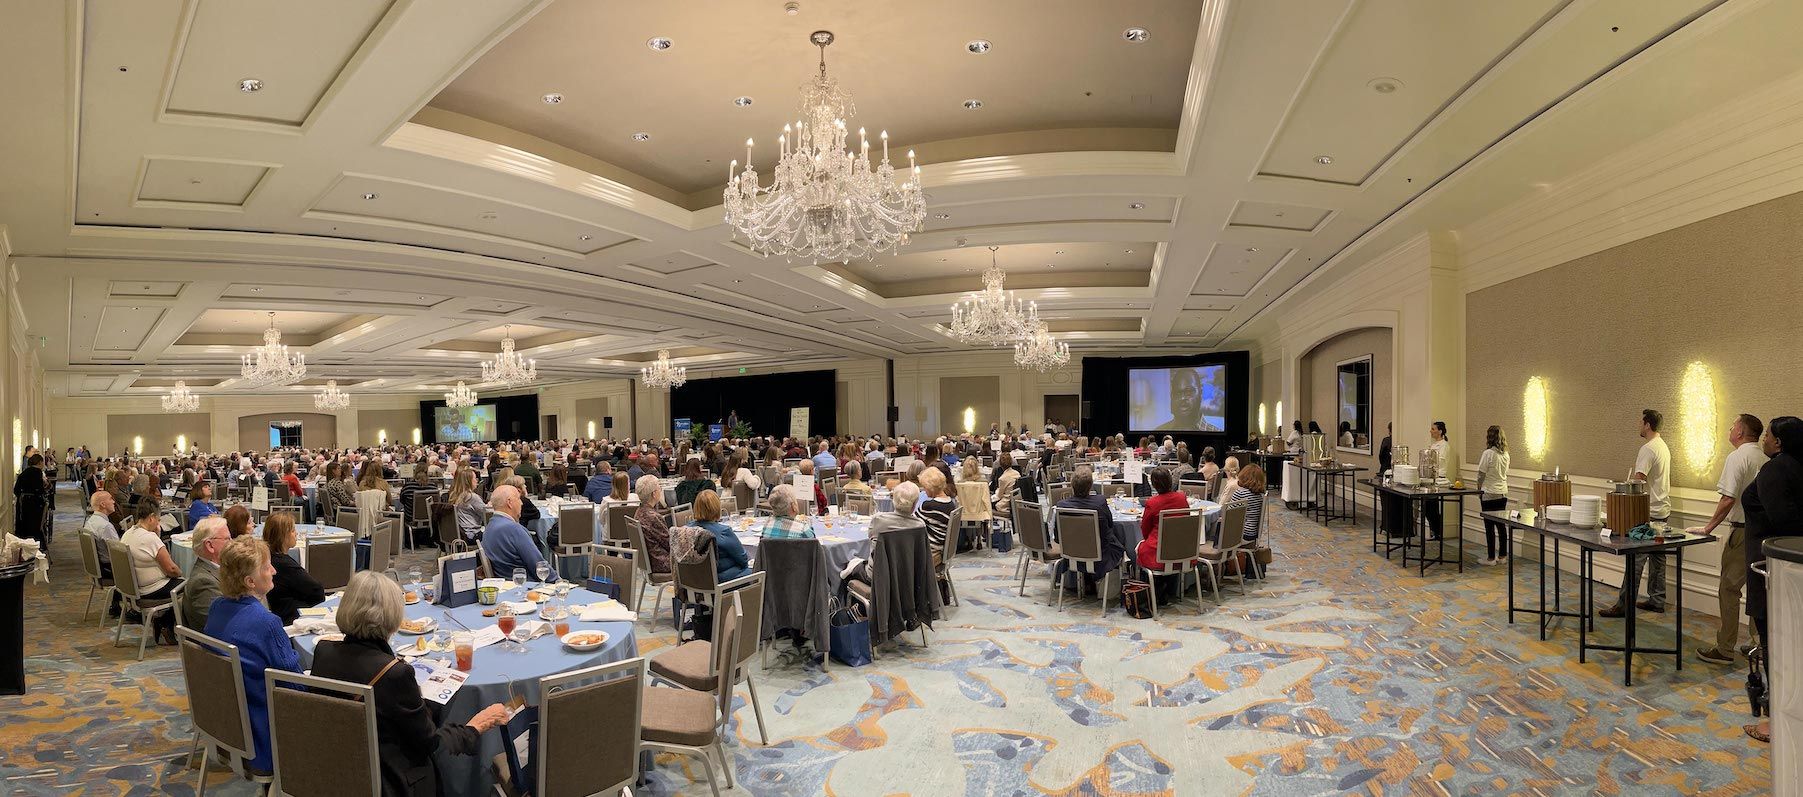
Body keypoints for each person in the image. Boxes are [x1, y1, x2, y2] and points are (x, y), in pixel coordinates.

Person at [310, 571, 510, 795]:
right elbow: (430, 743)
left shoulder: (323, 651)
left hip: (330, 770)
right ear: (392, 616)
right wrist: (475, 727)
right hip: (387, 781)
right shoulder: (394, 674)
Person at [203, 536, 300, 775]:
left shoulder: (217, 607)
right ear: (250, 581)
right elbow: (296, 688)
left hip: (225, 726)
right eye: (267, 567)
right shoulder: (267, 623)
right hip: (263, 736)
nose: (274, 571)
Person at [1743, 416, 1803, 743]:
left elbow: (1785, 524)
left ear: (1778, 442)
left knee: (1774, 645)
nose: (1763, 440)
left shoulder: (1775, 470)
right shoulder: (1796, 467)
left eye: (1767, 435)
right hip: (1789, 572)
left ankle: (1776, 722)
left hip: (1771, 571)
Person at [1696, 414, 1769, 665]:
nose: (1729, 429)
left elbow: (1728, 498)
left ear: (1740, 432)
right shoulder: (1764, 458)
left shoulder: (1737, 457)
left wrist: (1708, 527)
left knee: (1729, 588)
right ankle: (1760, 644)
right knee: (1759, 588)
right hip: (1765, 533)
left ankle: (1725, 648)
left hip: (1743, 532)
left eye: (1732, 426)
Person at [1602, 409, 1673, 617]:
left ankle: (1624, 605)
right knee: (1658, 558)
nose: (1638, 426)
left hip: (1647, 511)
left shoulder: (1648, 448)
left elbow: (1639, 481)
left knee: (1636, 559)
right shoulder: (1663, 446)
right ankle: (1657, 600)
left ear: (1647, 424)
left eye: (1640, 422)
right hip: (1662, 508)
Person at [122, 499, 183, 644]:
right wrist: (181, 574)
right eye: (158, 519)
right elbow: (171, 569)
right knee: (189, 586)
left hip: (133, 589)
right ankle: (166, 623)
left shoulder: (128, 534)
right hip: (151, 589)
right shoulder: (149, 538)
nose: (158, 523)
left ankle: (163, 622)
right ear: (151, 518)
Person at [1054, 469, 1122, 593]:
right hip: (1101, 557)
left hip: (1071, 556)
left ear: (1072, 485)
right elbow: (1110, 525)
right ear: (1090, 486)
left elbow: (1058, 538)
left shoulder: (1061, 506)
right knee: (1119, 539)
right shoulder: (1100, 502)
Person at [1136, 468, 1195, 601]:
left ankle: (1149, 593)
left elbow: (1145, 530)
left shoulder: (1152, 502)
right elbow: (1186, 521)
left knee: (1139, 548)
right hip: (1182, 550)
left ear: (1154, 484)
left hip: (1158, 552)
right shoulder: (1182, 498)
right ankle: (1169, 589)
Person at [261, 513, 324, 625]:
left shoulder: (268, 557)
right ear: (283, 536)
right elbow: (317, 592)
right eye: (293, 530)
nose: (296, 533)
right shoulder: (285, 565)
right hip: (293, 619)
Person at [481, 485, 543, 580]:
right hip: (525, 583)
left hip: (505, 582)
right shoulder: (514, 529)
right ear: (509, 503)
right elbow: (539, 566)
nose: (521, 503)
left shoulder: (490, 526)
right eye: (518, 498)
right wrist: (558, 581)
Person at [689, 490, 750, 582]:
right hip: (717, 581)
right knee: (757, 569)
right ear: (717, 508)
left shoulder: (686, 529)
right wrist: (732, 562)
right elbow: (743, 560)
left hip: (692, 580)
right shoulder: (723, 532)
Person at [182, 516, 228, 631]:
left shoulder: (218, 569)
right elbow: (222, 627)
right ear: (210, 545)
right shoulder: (203, 582)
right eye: (227, 539)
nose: (232, 543)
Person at [1476, 426, 1512, 565]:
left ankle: (1491, 558)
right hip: (1502, 492)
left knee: (1489, 526)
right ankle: (1502, 556)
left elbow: (1481, 474)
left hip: (1489, 492)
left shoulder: (1488, 453)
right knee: (1501, 526)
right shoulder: (1506, 455)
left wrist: (1479, 489)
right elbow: (1505, 473)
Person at [634, 474, 674, 573]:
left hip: (651, 560)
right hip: (661, 562)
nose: (661, 490)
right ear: (654, 494)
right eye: (659, 488)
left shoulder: (639, 511)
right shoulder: (653, 517)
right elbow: (669, 544)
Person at [914, 467, 958, 558]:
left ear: (930, 488)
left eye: (925, 488)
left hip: (931, 548)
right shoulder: (950, 503)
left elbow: (912, 522)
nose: (924, 491)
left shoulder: (929, 506)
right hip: (941, 545)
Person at [11, 452, 50, 548]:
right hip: (34, 503)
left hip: (23, 502)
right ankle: (36, 544)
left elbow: (16, 490)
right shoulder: (37, 472)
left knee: (24, 524)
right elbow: (39, 490)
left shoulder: (24, 472)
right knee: (35, 525)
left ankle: (25, 543)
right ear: (40, 462)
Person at [1222, 464, 1267, 546]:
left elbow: (1228, 514)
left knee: (1216, 525)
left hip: (1242, 534)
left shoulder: (1240, 493)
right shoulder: (1260, 495)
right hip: (1252, 533)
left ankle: (1218, 550)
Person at [1423, 421, 1452, 540]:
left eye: (1433, 429)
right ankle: (1434, 531)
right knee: (1428, 507)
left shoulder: (1444, 445)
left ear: (1440, 431)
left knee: (1432, 507)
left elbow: (1439, 462)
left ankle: (1437, 532)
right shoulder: (1433, 445)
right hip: (1430, 478)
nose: (1431, 431)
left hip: (1438, 479)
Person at [84, 491, 122, 578]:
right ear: (103, 504)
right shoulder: (105, 526)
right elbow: (119, 552)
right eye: (110, 499)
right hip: (111, 568)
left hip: (100, 566)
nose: (113, 502)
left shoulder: (90, 521)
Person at [449, 468, 485, 544]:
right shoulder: (472, 497)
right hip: (473, 535)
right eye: (475, 478)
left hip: (462, 533)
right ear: (468, 481)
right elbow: (486, 515)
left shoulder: (454, 495)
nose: (477, 480)